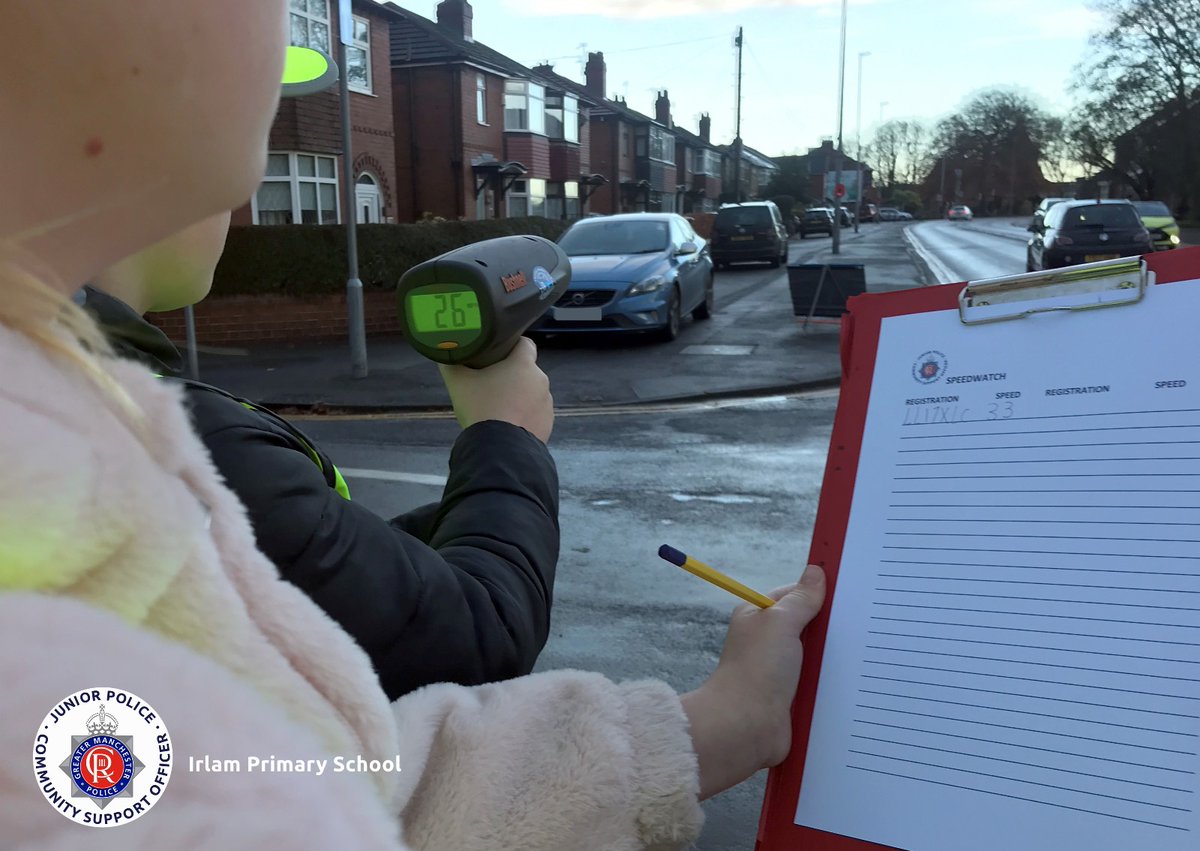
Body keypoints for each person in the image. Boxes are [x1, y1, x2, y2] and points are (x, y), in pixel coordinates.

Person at [0, 3, 827, 848]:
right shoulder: (135, 449)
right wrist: (504, 437)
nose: (285, 40)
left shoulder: (72, 417)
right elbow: (450, 656)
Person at [85, 211, 559, 699]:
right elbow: (480, 640)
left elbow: (302, 570)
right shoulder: (171, 445)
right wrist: (506, 435)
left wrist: (457, 515)